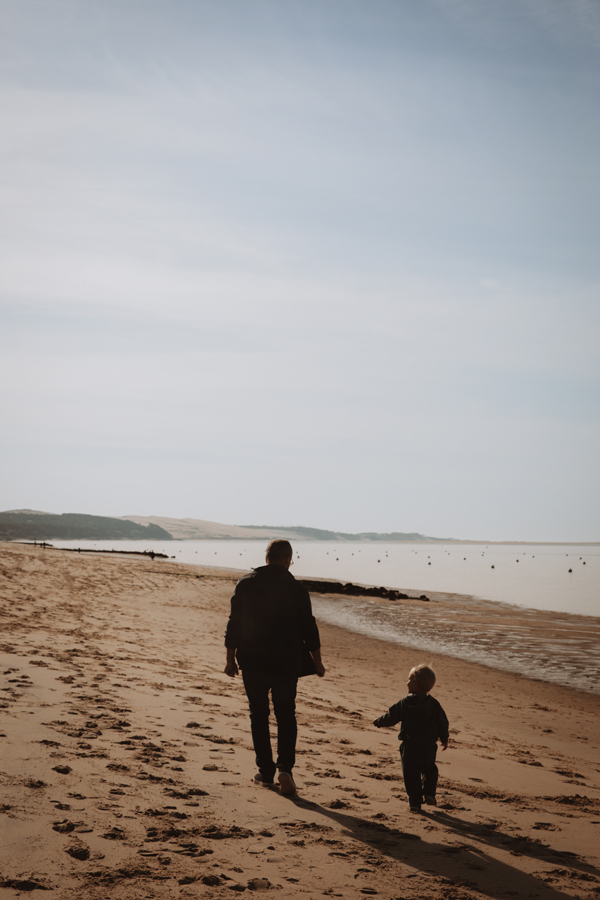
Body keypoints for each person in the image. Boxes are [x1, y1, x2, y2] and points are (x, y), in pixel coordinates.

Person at [224, 539, 325, 795]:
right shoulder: (297, 589)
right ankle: (285, 769)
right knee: (286, 716)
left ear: (267, 557)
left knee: (258, 715)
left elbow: (234, 622)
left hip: (253, 661)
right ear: (288, 559)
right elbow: (308, 627)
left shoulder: (246, 583)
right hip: (286, 663)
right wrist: (317, 661)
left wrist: (229, 659)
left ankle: (266, 772)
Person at [373, 663, 449, 812]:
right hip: (428, 746)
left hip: (409, 745)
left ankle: (414, 802)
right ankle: (429, 793)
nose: (406, 682)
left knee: (411, 773)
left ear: (416, 683)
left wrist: (379, 722)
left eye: (408, 679)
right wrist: (444, 738)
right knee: (429, 769)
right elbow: (442, 722)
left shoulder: (405, 702)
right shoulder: (434, 704)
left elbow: (391, 716)